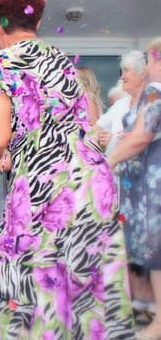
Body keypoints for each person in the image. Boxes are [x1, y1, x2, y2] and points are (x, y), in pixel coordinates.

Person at [0, 0, 134, 339]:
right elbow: (64, 126)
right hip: (91, 181)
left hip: (44, 184)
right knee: (85, 292)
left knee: (30, 286)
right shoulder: (59, 60)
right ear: (39, 20)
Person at [108, 38, 161, 340]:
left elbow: (142, 137)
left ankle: (159, 323)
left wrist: (109, 162)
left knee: (156, 252)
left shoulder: (156, 91)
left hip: (153, 182)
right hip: (142, 183)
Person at [96, 51, 147, 156]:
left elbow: (145, 139)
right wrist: (98, 139)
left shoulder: (153, 103)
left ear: (141, 74)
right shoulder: (120, 105)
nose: (122, 77)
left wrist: (114, 139)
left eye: (126, 71)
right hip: (117, 165)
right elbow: (94, 130)